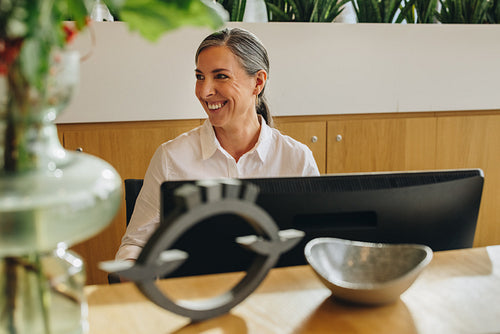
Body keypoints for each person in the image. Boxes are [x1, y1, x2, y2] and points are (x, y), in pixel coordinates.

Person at [115, 27, 319, 261]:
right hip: (191, 295)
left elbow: (313, 250)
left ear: (258, 82)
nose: (204, 91)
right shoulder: (171, 157)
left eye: (220, 76)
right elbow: (135, 246)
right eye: (199, 77)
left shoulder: (297, 160)